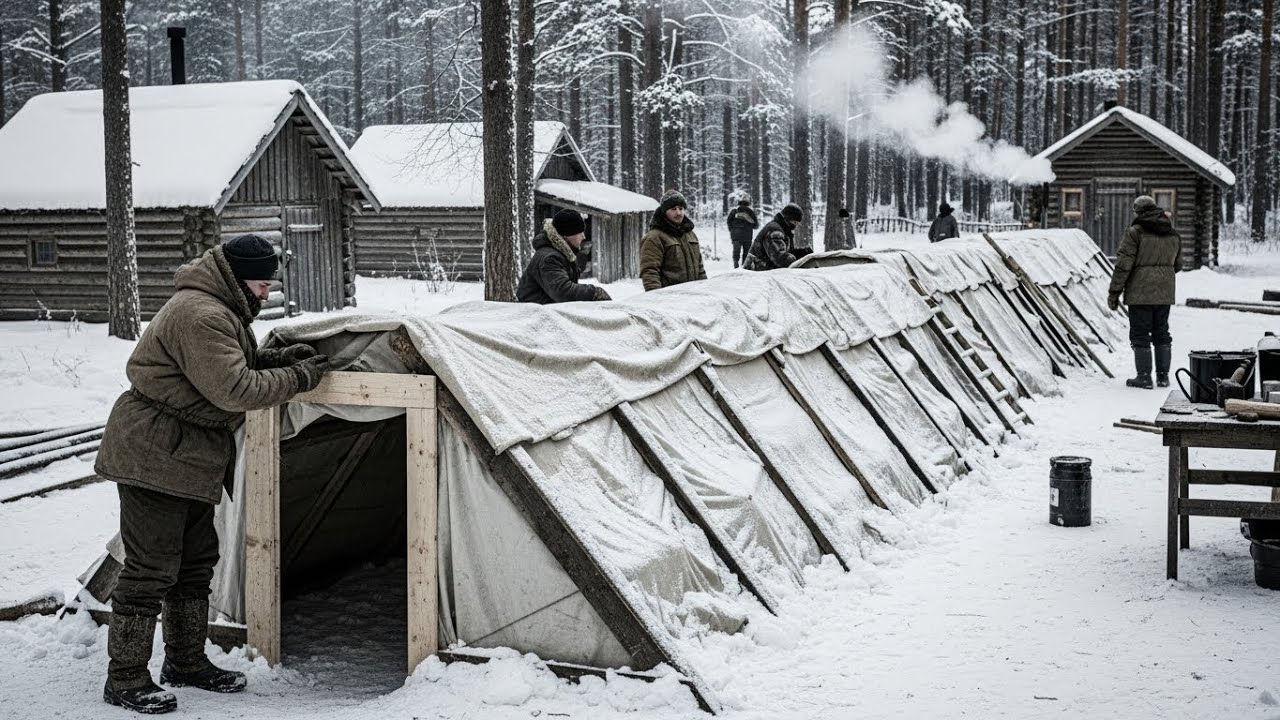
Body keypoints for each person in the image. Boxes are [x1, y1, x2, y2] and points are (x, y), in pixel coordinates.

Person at [94, 234, 332, 714]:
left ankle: (184, 661)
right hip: (155, 452)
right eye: (263, 285)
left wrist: (274, 359)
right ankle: (124, 678)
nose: (266, 295)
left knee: (196, 562)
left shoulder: (216, 308)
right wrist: (298, 379)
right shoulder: (201, 315)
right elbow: (234, 389)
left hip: (185, 454)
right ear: (239, 279)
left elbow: (220, 367)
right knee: (150, 569)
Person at [1108, 195, 1181, 389]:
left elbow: (1123, 266)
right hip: (1164, 292)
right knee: (1161, 333)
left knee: (1140, 334)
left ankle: (1144, 377)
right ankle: (1163, 377)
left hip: (1140, 293)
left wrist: (1114, 293)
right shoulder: (1172, 233)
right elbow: (1178, 264)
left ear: (1138, 212)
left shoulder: (1134, 233)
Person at [517, 209, 611, 304]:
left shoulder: (559, 254)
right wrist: (594, 293)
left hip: (545, 314)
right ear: (566, 235)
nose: (584, 236)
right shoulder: (550, 258)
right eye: (580, 232)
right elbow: (563, 292)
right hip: (536, 316)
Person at [639, 190, 707, 291]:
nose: (678, 213)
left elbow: (700, 269)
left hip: (694, 298)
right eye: (673, 209)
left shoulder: (690, 235)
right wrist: (657, 299)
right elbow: (650, 272)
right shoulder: (654, 237)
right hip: (670, 300)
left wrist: (705, 291)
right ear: (664, 211)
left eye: (681, 208)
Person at [743, 203, 809, 271]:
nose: (795, 226)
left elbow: (780, 252)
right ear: (787, 219)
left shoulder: (781, 229)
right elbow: (779, 258)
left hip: (761, 269)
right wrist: (800, 258)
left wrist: (799, 253)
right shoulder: (775, 231)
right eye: (794, 222)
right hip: (757, 273)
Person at [726, 196, 759, 268]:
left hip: (736, 235)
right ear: (747, 205)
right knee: (746, 252)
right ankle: (744, 266)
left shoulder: (734, 211)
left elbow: (728, 222)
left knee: (736, 251)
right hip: (747, 236)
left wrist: (732, 230)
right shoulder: (751, 213)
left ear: (739, 204)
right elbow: (756, 226)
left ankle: (736, 263)